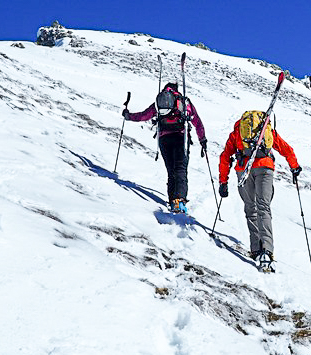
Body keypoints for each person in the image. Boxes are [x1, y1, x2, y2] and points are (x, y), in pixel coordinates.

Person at [217, 112, 301, 269]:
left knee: (251, 209)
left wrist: (223, 181)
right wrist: (294, 167)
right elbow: (286, 149)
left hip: (244, 170)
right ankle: (268, 250)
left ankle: (256, 249)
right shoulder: (265, 129)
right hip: (265, 167)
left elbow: (225, 156)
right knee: (264, 208)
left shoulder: (237, 130)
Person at [124, 82, 206, 213]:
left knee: (171, 170)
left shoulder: (159, 102)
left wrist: (129, 116)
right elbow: (197, 121)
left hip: (164, 139)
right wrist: (202, 139)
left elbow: (144, 115)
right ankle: (179, 201)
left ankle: (172, 199)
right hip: (181, 137)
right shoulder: (183, 102)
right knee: (180, 169)